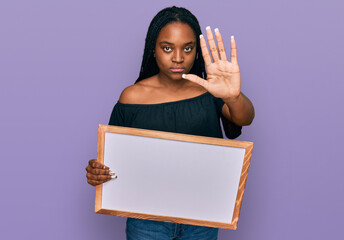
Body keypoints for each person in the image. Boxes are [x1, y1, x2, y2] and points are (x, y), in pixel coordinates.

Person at [85, 6, 255, 240]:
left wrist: (232, 95)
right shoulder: (131, 97)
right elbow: (112, 156)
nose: (178, 57)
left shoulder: (209, 90)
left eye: (188, 48)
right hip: (146, 220)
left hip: (202, 217)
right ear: (153, 50)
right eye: (167, 48)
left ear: (196, 51)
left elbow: (243, 118)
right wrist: (97, 171)